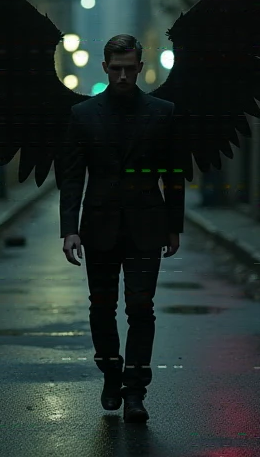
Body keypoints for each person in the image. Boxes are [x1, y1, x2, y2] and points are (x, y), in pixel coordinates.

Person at [58, 34, 186, 424]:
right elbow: (72, 175)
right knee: (101, 307)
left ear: (140, 68)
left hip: (147, 224)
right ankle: (111, 374)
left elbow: (173, 173)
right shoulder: (83, 114)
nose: (124, 76)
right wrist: (69, 229)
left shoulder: (162, 112)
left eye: (130, 69)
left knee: (141, 308)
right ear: (105, 68)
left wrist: (174, 226)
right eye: (117, 69)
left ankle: (135, 391)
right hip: (98, 225)